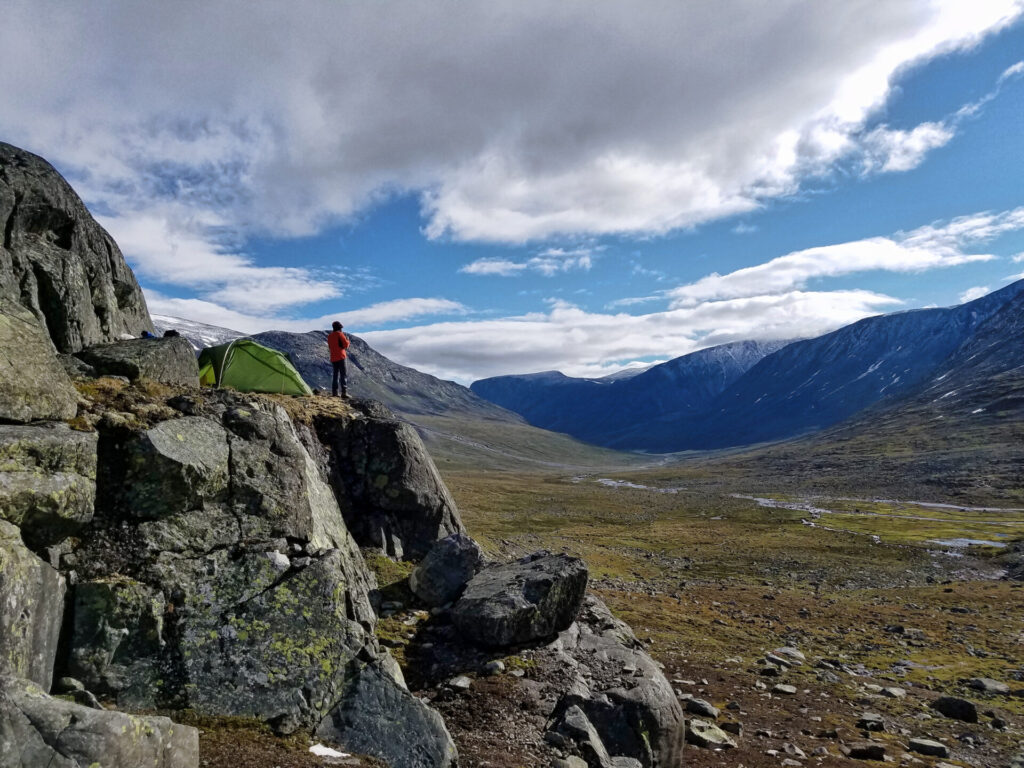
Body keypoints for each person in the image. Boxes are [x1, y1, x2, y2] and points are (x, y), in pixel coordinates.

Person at [327, 321, 350, 397]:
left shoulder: (330, 336)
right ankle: (344, 392)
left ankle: (335, 393)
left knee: (335, 375)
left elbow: (330, 347)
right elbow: (345, 345)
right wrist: (348, 340)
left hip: (333, 357)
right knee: (343, 374)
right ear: (339, 328)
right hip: (341, 356)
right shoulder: (340, 334)